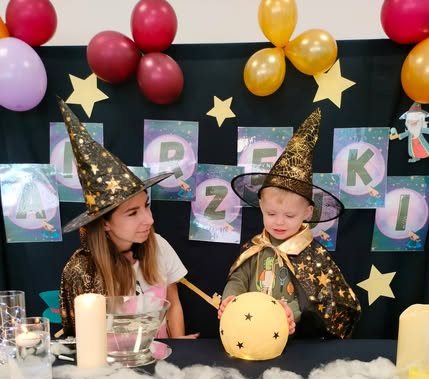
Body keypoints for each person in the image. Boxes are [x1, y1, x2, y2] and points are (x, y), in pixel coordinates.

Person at [57, 98, 198, 339]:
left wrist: (179, 347)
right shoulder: (83, 271)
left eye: (146, 206)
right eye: (133, 213)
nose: (149, 220)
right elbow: (81, 339)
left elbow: (173, 303)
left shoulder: (159, 246)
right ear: (105, 223)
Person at [218, 108, 361, 339]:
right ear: (261, 206)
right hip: (246, 331)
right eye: (271, 213)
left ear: (307, 212)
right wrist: (230, 298)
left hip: (288, 338)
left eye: (290, 216)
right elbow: (238, 279)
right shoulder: (255, 248)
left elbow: (311, 300)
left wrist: (289, 314)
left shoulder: (312, 256)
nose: (279, 222)